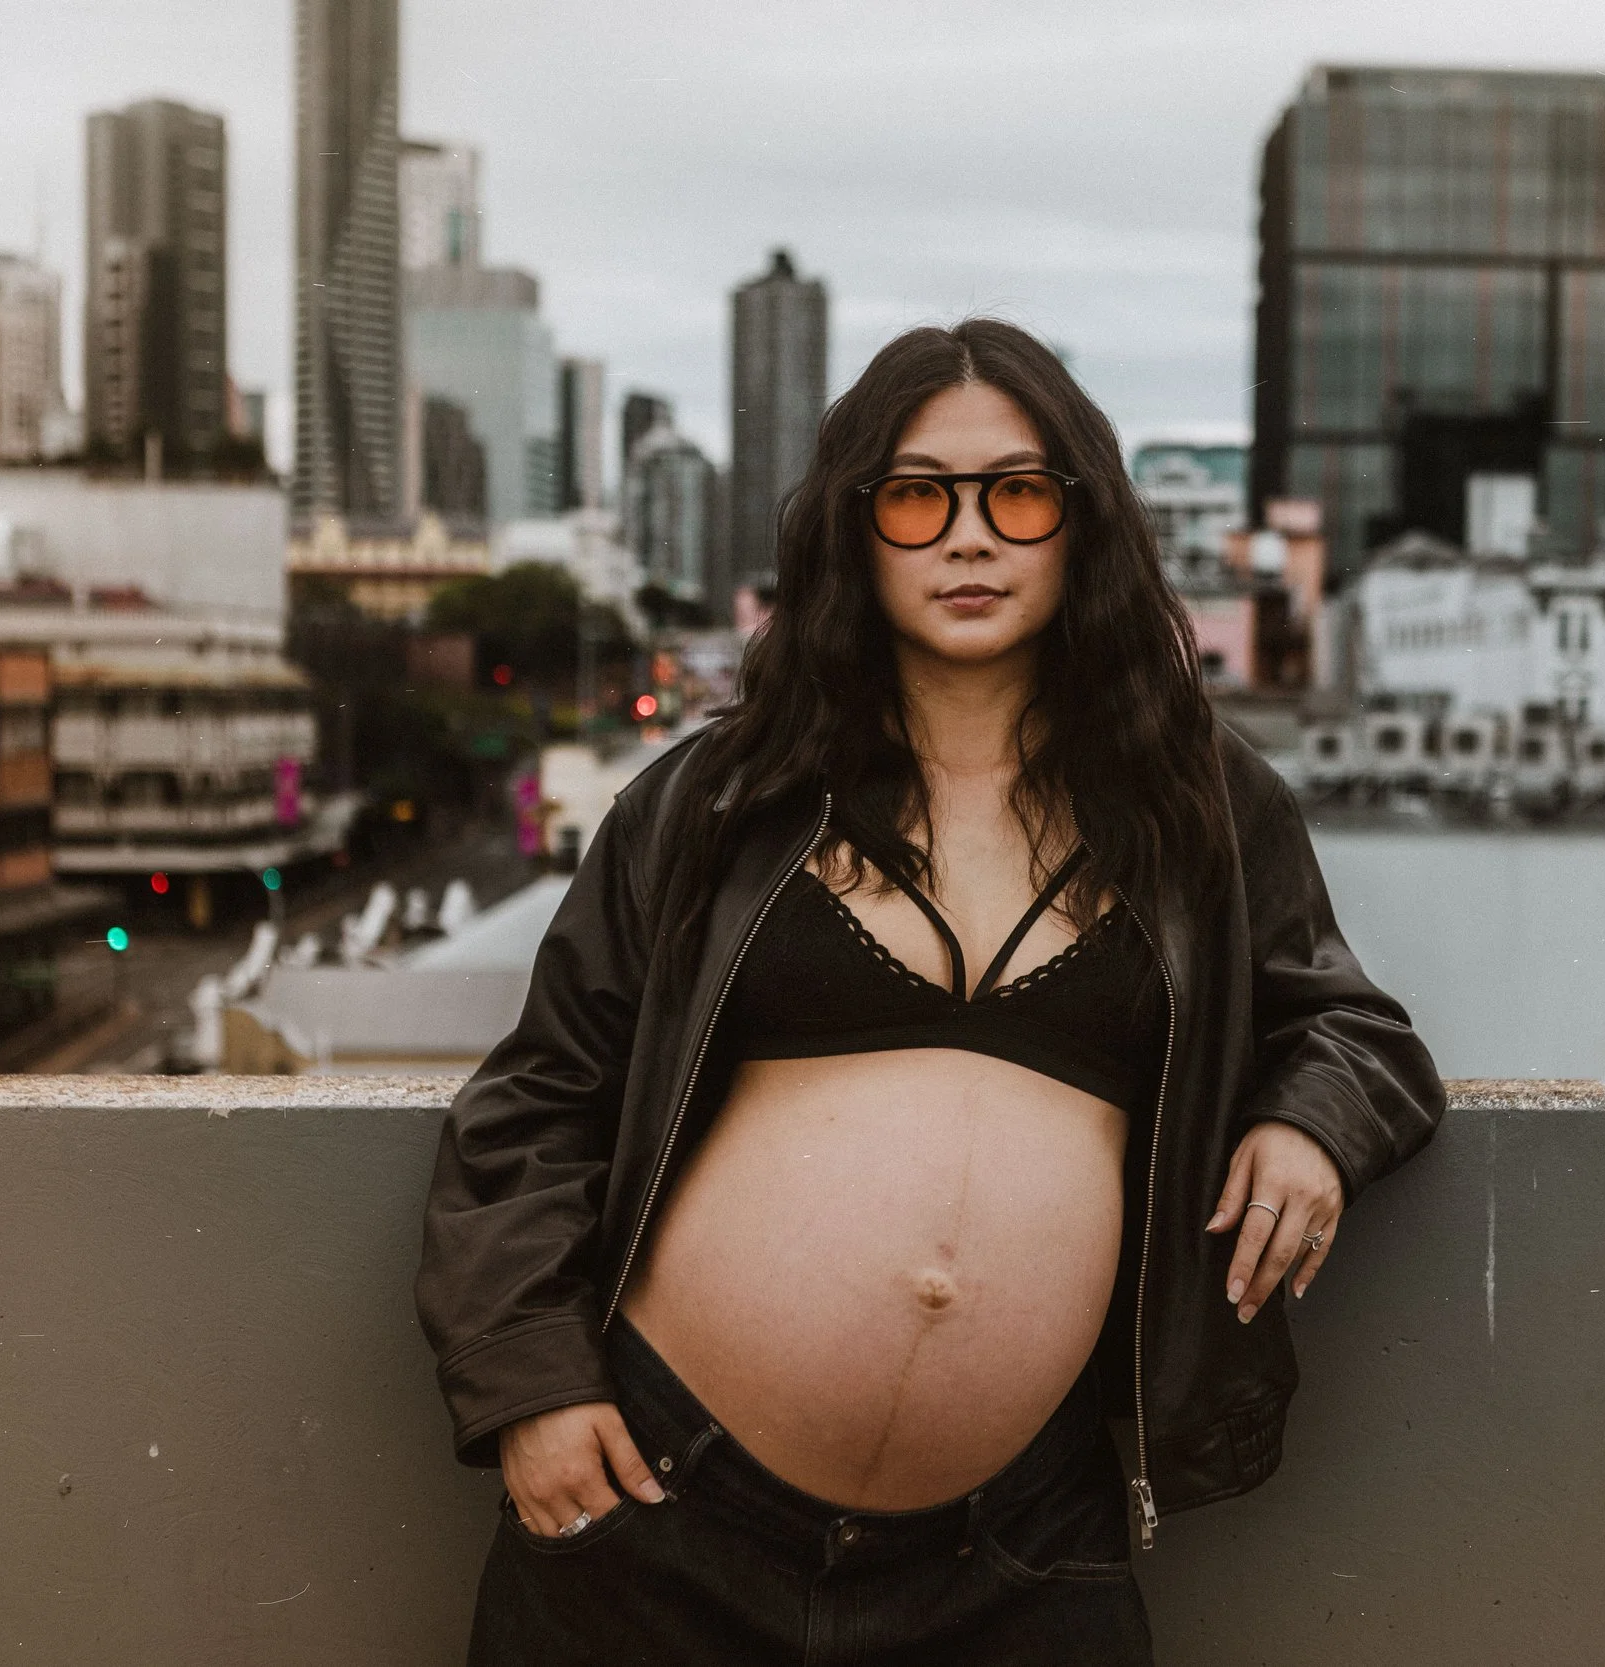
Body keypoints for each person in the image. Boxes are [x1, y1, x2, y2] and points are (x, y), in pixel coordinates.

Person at [415, 318, 1444, 1664]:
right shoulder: (718, 797)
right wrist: (532, 1384)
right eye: (917, 497)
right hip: (658, 1524)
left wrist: (1312, 1124)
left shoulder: (1197, 800)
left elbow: (1352, 1026)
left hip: (1013, 1563)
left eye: (1017, 493)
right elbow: (539, 1100)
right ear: (856, 530)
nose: (969, 538)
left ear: (1081, 521)